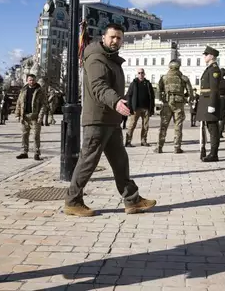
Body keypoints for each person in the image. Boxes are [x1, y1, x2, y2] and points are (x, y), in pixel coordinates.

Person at [64, 23, 156, 217]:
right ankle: (73, 201)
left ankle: (132, 200)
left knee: (120, 160)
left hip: (110, 120)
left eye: (119, 38)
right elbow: (99, 86)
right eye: (112, 37)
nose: (116, 41)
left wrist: (116, 107)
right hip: (98, 119)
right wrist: (116, 102)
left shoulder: (110, 58)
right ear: (103, 37)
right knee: (88, 161)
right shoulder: (97, 58)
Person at [155, 60, 193, 154]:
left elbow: (158, 89)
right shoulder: (183, 78)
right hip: (179, 104)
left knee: (163, 125)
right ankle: (177, 147)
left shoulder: (164, 78)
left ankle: (159, 147)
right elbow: (190, 91)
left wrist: (162, 99)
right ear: (178, 67)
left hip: (167, 103)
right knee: (178, 126)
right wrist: (186, 97)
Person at [197, 46, 222, 162]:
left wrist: (212, 104)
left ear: (211, 56)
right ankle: (211, 152)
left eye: (206, 55)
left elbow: (214, 89)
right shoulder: (209, 69)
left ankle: (214, 153)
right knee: (209, 127)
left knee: (213, 128)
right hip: (205, 102)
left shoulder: (214, 70)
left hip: (209, 103)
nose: (204, 56)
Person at [14, 74, 47, 160]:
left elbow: (43, 105)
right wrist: (17, 114)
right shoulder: (23, 90)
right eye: (30, 80)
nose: (31, 82)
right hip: (25, 117)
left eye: (33, 80)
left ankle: (36, 153)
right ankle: (24, 152)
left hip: (35, 117)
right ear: (27, 80)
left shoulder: (39, 91)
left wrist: (40, 117)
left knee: (36, 136)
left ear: (35, 80)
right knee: (24, 135)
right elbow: (19, 103)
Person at [125, 68, 155, 147]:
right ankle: (128, 142)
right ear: (137, 74)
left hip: (146, 108)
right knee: (132, 125)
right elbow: (129, 95)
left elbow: (152, 96)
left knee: (145, 126)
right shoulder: (134, 83)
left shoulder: (148, 83)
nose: (140, 74)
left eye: (142, 73)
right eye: (139, 73)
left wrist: (151, 108)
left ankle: (143, 141)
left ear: (144, 74)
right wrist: (130, 107)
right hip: (136, 108)